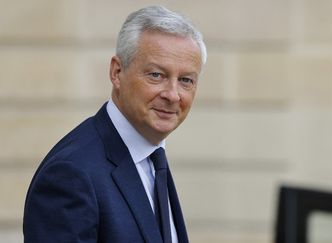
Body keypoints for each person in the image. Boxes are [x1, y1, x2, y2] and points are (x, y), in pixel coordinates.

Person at [23, 5, 206, 243]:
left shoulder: (153, 158)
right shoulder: (71, 174)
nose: (173, 95)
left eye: (185, 80)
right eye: (156, 75)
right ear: (117, 72)